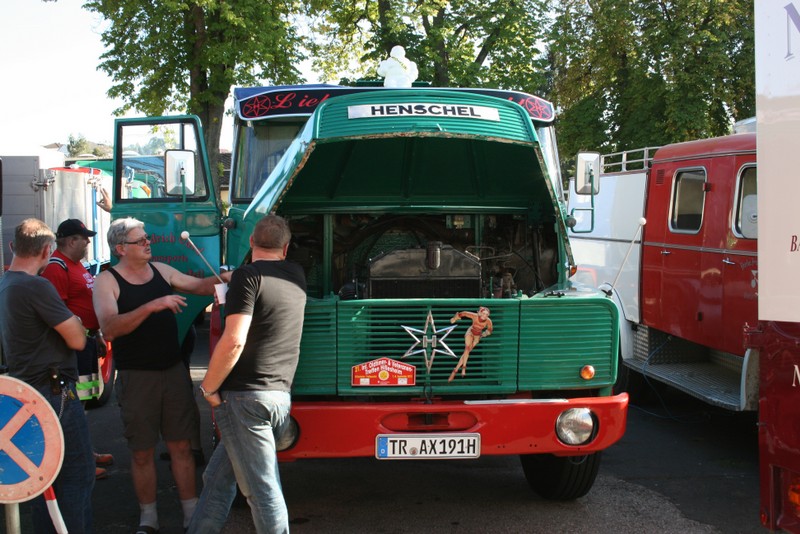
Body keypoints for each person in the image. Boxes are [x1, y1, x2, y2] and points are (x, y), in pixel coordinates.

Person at [92, 217, 231, 533]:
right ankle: (148, 518)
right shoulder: (107, 281)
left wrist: (227, 278)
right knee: (141, 452)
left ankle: (191, 514)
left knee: (181, 446)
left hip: (172, 371)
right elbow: (109, 328)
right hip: (137, 377)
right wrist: (153, 305)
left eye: (147, 238)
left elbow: (199, 285)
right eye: (140, 240)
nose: (148, 243)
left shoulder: (162, 270)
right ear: (121, 248)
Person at [188, 215, 307, 534]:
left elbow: (234, 340)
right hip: (278, 396)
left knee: (263, 493)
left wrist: (208, 387)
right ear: (285, 248)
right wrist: (236, 280)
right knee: (216, 480)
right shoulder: (296, 274)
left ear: (252, 242)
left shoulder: (247, 276)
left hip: (245, 399)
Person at [0, 218, 94, 533]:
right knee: (76, 476)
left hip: (27, 391)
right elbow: (78, 340)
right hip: (54, 392)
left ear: (13, 246)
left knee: (44, 481)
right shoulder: (36, 286)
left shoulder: (5, 283)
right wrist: (76, 321)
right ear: (46, 251)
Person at [40, 218, 115, 481]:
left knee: (83, 404)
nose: (88, 243)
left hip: (86, 343)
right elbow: (58, 312)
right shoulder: (56, 268)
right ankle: (77, 463)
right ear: (72, 241)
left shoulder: (76, 265)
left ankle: (85, 453)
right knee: (72, 407)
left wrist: (95, 335)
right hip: (73, 348)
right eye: (84, 239)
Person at [448, 306, 493, 382]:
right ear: (480, 313)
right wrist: (456, 318)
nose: (484, 315)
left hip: (477, 336)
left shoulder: (488, 321)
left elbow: (490, 329)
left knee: (467, 352)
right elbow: (465, 313)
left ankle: (455, 370)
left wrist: (484, 334)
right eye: (483, 313)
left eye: (486, 314)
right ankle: (463, 368)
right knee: (467, 348)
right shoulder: (475, 316)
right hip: (470, 332)